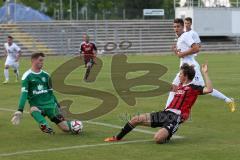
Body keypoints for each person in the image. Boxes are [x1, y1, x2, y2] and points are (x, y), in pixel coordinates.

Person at [104, 63, 213, 143]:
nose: (179, 75)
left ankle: (168, 132)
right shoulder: (179, 86)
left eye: (180, 74)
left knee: (158, 139)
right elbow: (168, 86)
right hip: (165, 113)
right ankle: (117, 138)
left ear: (185, 76)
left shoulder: (194, 88)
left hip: (175, 118)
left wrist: (205, 73)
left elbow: (209, 89)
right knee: (135, 119)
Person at [166, 18, 235, 112]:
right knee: (174, 87)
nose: (176, 28)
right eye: (174, 27)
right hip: (184, 68)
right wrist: (176, 52)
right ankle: (167, 110)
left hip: (191, 67)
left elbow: (196, 48)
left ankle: (228, 100)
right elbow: (181, 55)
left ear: (183, 27)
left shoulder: (186, 36)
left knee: (204, 89)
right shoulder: (180, 38)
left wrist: (181, 54)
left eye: (178, 26)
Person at [11, 53, 79, 134]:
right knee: (33, 109)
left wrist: (58, 105)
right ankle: (44, 125)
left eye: (43, 61)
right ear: (33, 60)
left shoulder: (46, 75)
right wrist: (20, 110)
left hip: (51, 106)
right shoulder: (27, 76)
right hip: (38, 106)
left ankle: (75, 126)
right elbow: (24, 94)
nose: (42, 62)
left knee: (66, 129)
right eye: (40, 60)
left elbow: (51, 92)